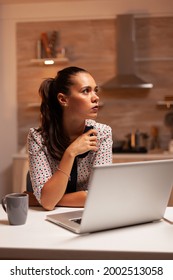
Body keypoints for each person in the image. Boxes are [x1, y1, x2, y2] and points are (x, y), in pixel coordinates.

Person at [27, 66, 113, 210]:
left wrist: (41, 199)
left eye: (95, 90)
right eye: (86, 91)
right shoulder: (37, 138)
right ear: (63, 99)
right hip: (44, 219)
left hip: (87, 215)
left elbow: (100, 196)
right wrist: (70, 153)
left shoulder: (102, 133)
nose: (96, 97)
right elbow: (48, 204)